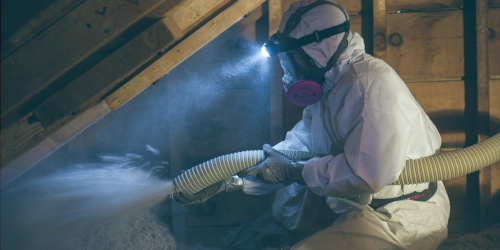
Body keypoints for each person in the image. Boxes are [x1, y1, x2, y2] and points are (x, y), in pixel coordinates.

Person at [174, 0, 450, 249]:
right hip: (366, 212)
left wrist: (293, 173)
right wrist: (230, 180)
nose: (288, 71)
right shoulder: (329, 90)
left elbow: (369, 173)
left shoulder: (367, 84)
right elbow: (295, 150)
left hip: (405, 219)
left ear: (315, 51)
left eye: (290, 59)